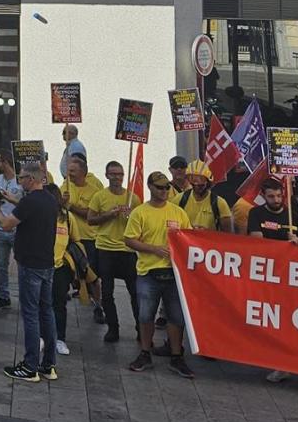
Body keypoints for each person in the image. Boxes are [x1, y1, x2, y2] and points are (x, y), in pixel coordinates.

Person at [245, 178, 298, 396]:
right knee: (280, 326)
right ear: (263, 195)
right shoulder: (256, 214)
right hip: (272, 280)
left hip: (296, 280)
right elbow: (257, 242)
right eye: (271, 196)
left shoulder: (291, 212)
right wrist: (285, 238)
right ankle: (284, 366)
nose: (276, 200)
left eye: (279, 196)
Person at [124, 172, 194, 378]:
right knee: (146, 315)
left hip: (174, 272)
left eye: (167, 188)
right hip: (148, 271)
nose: (164, 191)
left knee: (176, 317)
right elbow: (129, 239)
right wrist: (153, 249)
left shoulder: (178, 212)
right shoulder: (140, 212)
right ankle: (145, 352)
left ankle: (176, 355)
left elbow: (189, 237)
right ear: (150, 187)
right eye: (160, 187)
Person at [0, 163, 60, 382]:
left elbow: (5, 225)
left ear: (31, 179)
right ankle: (48, 364)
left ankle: (30, 365)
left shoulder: (29, 202)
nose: (19, 181)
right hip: (47, 263)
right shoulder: (50, 200)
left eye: (22, 177)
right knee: (46, 311)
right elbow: (29, 210)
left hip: (30, 265)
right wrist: (12, 200)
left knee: (31, 314)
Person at [86, 161, 137, 343]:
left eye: (120, 174)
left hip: (127, 249)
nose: (117, 177)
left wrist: (131, 216)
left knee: (135, 292)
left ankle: (140, 328)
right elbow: (90, 220)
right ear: (107, 175)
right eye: (113, 174)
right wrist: (108, 215)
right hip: (106, 249)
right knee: (107, 292)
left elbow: (140, 224)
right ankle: (113, 328)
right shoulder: (100, 196)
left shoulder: (133, 198)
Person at [58, 155, 103, 327]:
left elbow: (92, 216)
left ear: (84, 172)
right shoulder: (66, 186)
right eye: (68, 171)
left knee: (92, 275)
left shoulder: (94, 191)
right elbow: (61, 209)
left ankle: (98, 305)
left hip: (89, 238)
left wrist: (72, 207)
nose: (69, 174)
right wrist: (63, 203)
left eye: (73, 171)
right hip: (69, 238)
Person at [0, 153, 22, 310]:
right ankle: (3, 296)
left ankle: (24, 298)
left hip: (17, 229)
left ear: (6, 162)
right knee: (1, 265)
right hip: (0, 228)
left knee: (22, 266)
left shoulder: (20, 180)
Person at [177, 161, 234, 233]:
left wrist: (207, 233)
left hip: (210, 243)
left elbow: (229, 234)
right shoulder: (179, 199)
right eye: (194, 181)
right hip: (186, 243)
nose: (197, 185)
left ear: (208, 182)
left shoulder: (219, 203)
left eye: (201, 184)